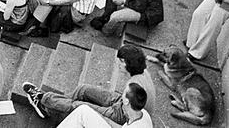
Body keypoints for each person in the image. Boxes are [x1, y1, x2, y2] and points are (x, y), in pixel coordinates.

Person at [24, 45, 154, 123]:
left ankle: (43, 100)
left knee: (79, 106)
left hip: (122, 114)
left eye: (120, 61)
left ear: (126, 63)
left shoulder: (134, 85)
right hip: (123, 102)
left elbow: (128, 111)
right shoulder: (142, 72)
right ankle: (57, 104)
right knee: (83, 89)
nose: (117, 64)